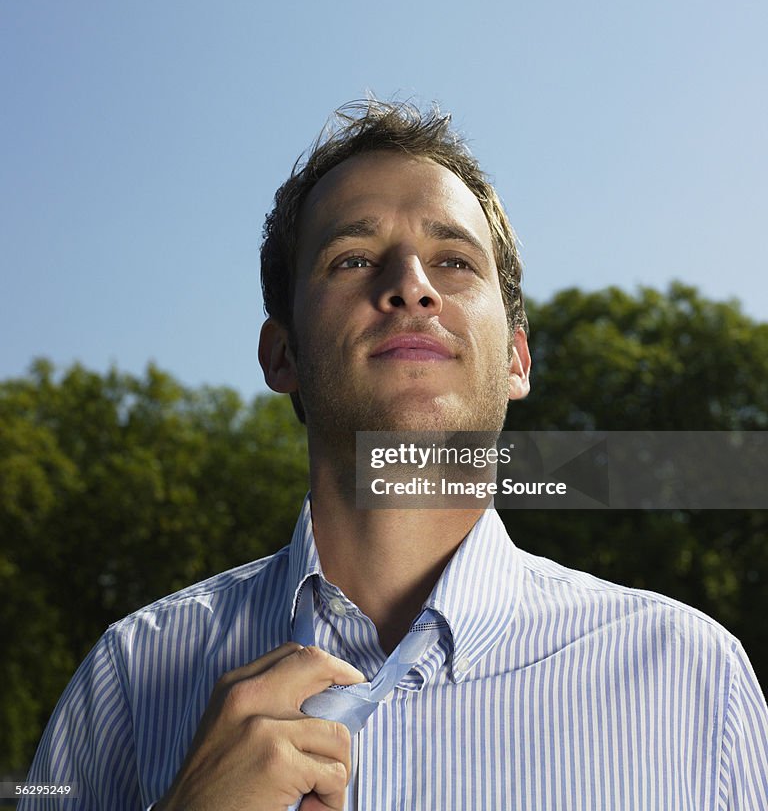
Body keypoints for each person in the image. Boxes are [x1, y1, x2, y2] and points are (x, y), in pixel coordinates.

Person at [22, 100, 768, 810]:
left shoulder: (695, 681)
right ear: (280, 355)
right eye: (352, 259)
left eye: (453, 261)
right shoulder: (126, 679)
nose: (410, 286)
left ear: (516, 361)